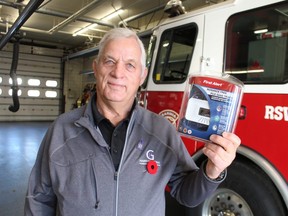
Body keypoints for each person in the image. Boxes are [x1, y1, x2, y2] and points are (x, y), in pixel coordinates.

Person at [24, 27, 241, 216]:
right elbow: (39, 199)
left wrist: (212, 170)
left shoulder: (162, 132)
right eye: (110, 61)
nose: (118, 72)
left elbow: (186, 193)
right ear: (96, 67)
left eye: (130, 65)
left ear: (142, 76)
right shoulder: (61, 131)